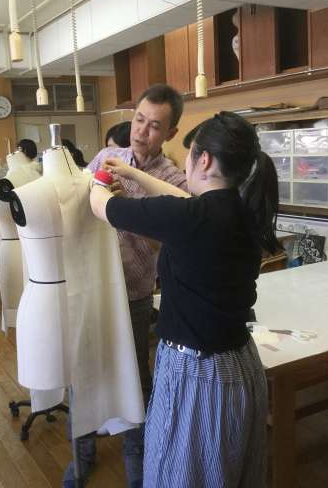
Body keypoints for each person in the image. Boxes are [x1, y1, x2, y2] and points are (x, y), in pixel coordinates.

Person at [90, 111, 279, 488]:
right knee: (231, 473)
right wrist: (131, 173)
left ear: (203, 160)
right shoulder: (242, 211)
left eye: (190, 154)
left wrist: (99, 179)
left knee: (181, 473)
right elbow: (183, 198)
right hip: (240, 364)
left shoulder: (189, 217)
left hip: (196, 372)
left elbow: (102, 206)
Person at [63, 84, 188, 488]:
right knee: (83, 372)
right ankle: (81, 458)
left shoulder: (173, 180)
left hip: (134, 292)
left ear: (170, 133)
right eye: (139, 120)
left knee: (135, 379)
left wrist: (127, 212)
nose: (141, 132)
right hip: (92, 285)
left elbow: (170, 246)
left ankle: (139, 468)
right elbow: (77, 206)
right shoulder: (106, 158)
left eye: (154, 126)